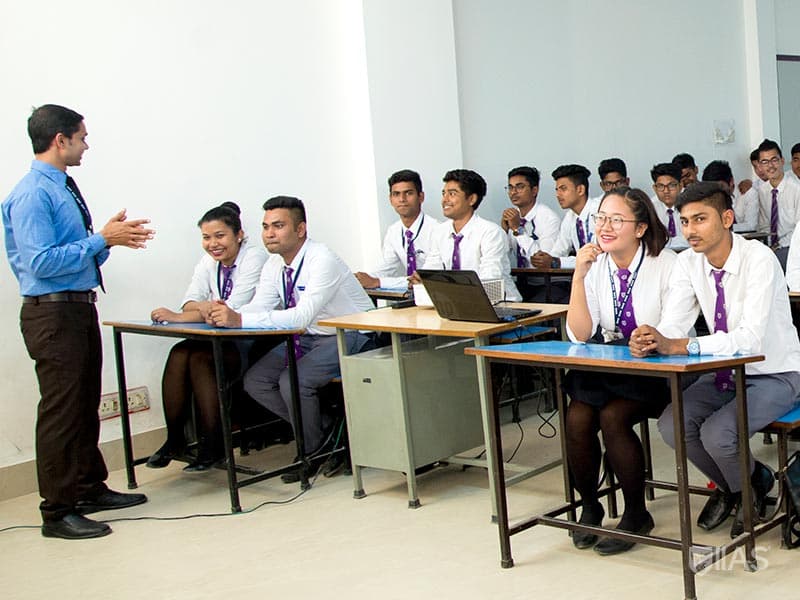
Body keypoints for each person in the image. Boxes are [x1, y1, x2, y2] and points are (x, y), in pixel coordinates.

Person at [2, 104, 155, 539]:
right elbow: (40, 262)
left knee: (85, 401)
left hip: (76, 306)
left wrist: (108, 240)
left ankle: (87, 487)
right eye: (82, 137)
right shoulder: (34, 193)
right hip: (52, 313)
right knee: (61, 412)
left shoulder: (63, 186)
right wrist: (100, 239)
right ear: (60, 140)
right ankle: (57, 511)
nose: (86, 145)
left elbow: (77, 251)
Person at [630, 181, 800, 538]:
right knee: (672, 426)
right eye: (685, 221)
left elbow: (750, 339)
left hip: (774, 372)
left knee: (718, 433)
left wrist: (683, 346)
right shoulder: (689, 263)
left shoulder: (759, 258)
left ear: (727, 217)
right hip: (724, 371)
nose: (690, 230)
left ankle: (742, 492)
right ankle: (746, 483)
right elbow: (676, 322)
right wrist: (654, 337)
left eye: (700, 219)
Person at [207, 196, 374, 482]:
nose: (269, 233)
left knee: (293, 380)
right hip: (311, 338)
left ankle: (310, 452)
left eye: (278, 225)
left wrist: (240, 320)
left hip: (351, 333)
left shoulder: (323, 259)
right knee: (256, 381)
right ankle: (325, 431)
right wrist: (228, 314)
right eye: (265, 226)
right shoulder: (275, 265)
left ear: (300, 230)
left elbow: (300, 317)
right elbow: (261, 305)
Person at [564, 187, 676, 555]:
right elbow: (580, 334)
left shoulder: (666, 263)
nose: (604, 227)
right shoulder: (597, 266)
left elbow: (673, 328)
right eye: (600, 219)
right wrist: (579, 276)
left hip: (653, 365)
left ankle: (636, 513)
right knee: (577, 418)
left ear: (640, 228)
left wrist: (650, 339)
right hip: (609, 361)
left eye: (615, 219)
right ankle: (590, 506)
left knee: (613, 418)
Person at [147, 202, 267, 471]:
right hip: (220, 336)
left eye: (220, 236)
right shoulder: (208, 262)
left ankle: (214, 446)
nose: (213, 243)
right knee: (179, 352)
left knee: (202, 358)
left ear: (238, 235)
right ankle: (176, 439)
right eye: (206, 237)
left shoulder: (254, 258)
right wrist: (199, 309)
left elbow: (230, 309)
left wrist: (181, 316)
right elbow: (190, 301)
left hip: (255, 338)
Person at [416, 169, 521, 300]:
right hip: (456, 302)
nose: (445, 199)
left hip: (500, 304)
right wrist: (422, 278)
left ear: (471, 199)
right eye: (444, 193)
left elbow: (490, 278)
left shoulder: (491, 232)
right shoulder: (439, 232)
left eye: (452, 194)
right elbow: (432, 269)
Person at [354, 169, 439, 289]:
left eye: (408, 193)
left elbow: (425, 279)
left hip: (437, 297)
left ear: (421, 197)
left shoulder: (437, 230)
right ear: (391, 199)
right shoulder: (393, 231)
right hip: (410, 298)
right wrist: (360, 279)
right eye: (396, 194)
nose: (402, 199)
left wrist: (378, 282)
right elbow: (385, 268)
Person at [532, 164, 600, 269]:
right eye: (557, 190)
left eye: (563, 189)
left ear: (580, 190)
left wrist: (557, 262)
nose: (558, 195)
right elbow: (559, 251)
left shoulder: (600, 212)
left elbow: (595, 256)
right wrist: (544, 258)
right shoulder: (570, 217)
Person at [755, 138, 800, 271]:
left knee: (769, 267)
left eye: (774, 160)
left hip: (793, 246)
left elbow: (799, 231)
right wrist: (765, 247)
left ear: (782, 161)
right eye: (765, 162)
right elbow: (763, 225)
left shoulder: (796, 189)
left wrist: (778, 246)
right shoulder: (763, 191)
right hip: (772, 247)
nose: (770, 166)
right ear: (760, 166)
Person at [701, 160, 758, 232]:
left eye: (720, 187)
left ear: (731, 182)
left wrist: (721, 226)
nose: (716, 192)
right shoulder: (707, 198)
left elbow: (751, 226)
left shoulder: (749, 193)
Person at [650, 162, 687, 250]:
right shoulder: (651, 207)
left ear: (681, 185)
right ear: (654, 188)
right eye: (660, 186)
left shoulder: (691, 202)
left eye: (671, 185)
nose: (666, 191)